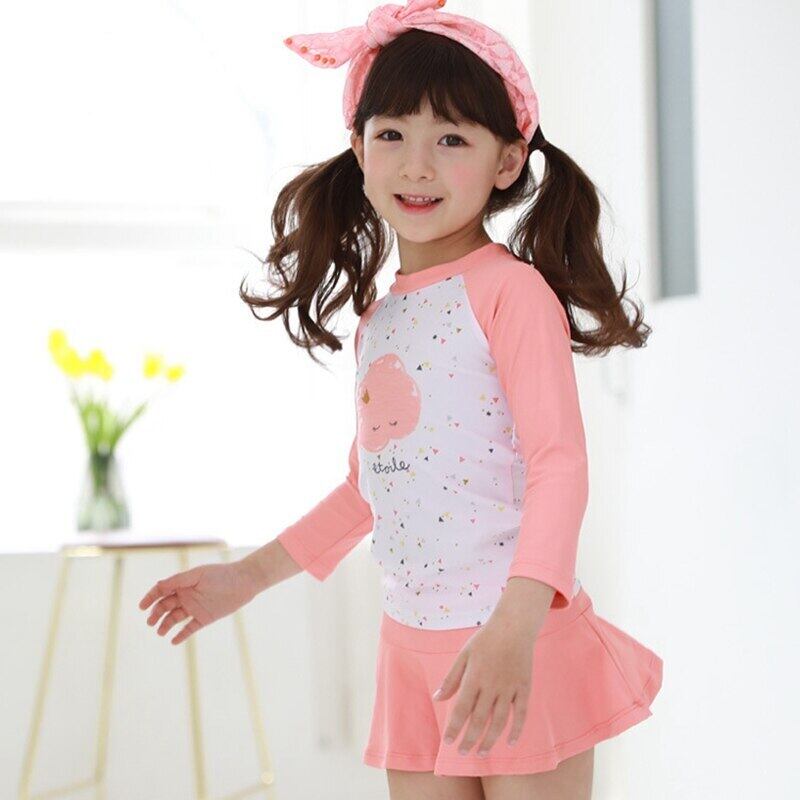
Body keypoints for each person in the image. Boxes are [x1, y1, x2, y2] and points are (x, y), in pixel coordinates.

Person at [138, 1, 663, 797]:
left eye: (451, 139)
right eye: (392, 135)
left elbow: (560, 465)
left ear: (507, 160)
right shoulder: (382, 320)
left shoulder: (511, 294)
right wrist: (246, 578)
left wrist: (516, 624)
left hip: (514, 638)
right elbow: (371, 488)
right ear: (358, 149)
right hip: (410, 647)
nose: (418, 165)